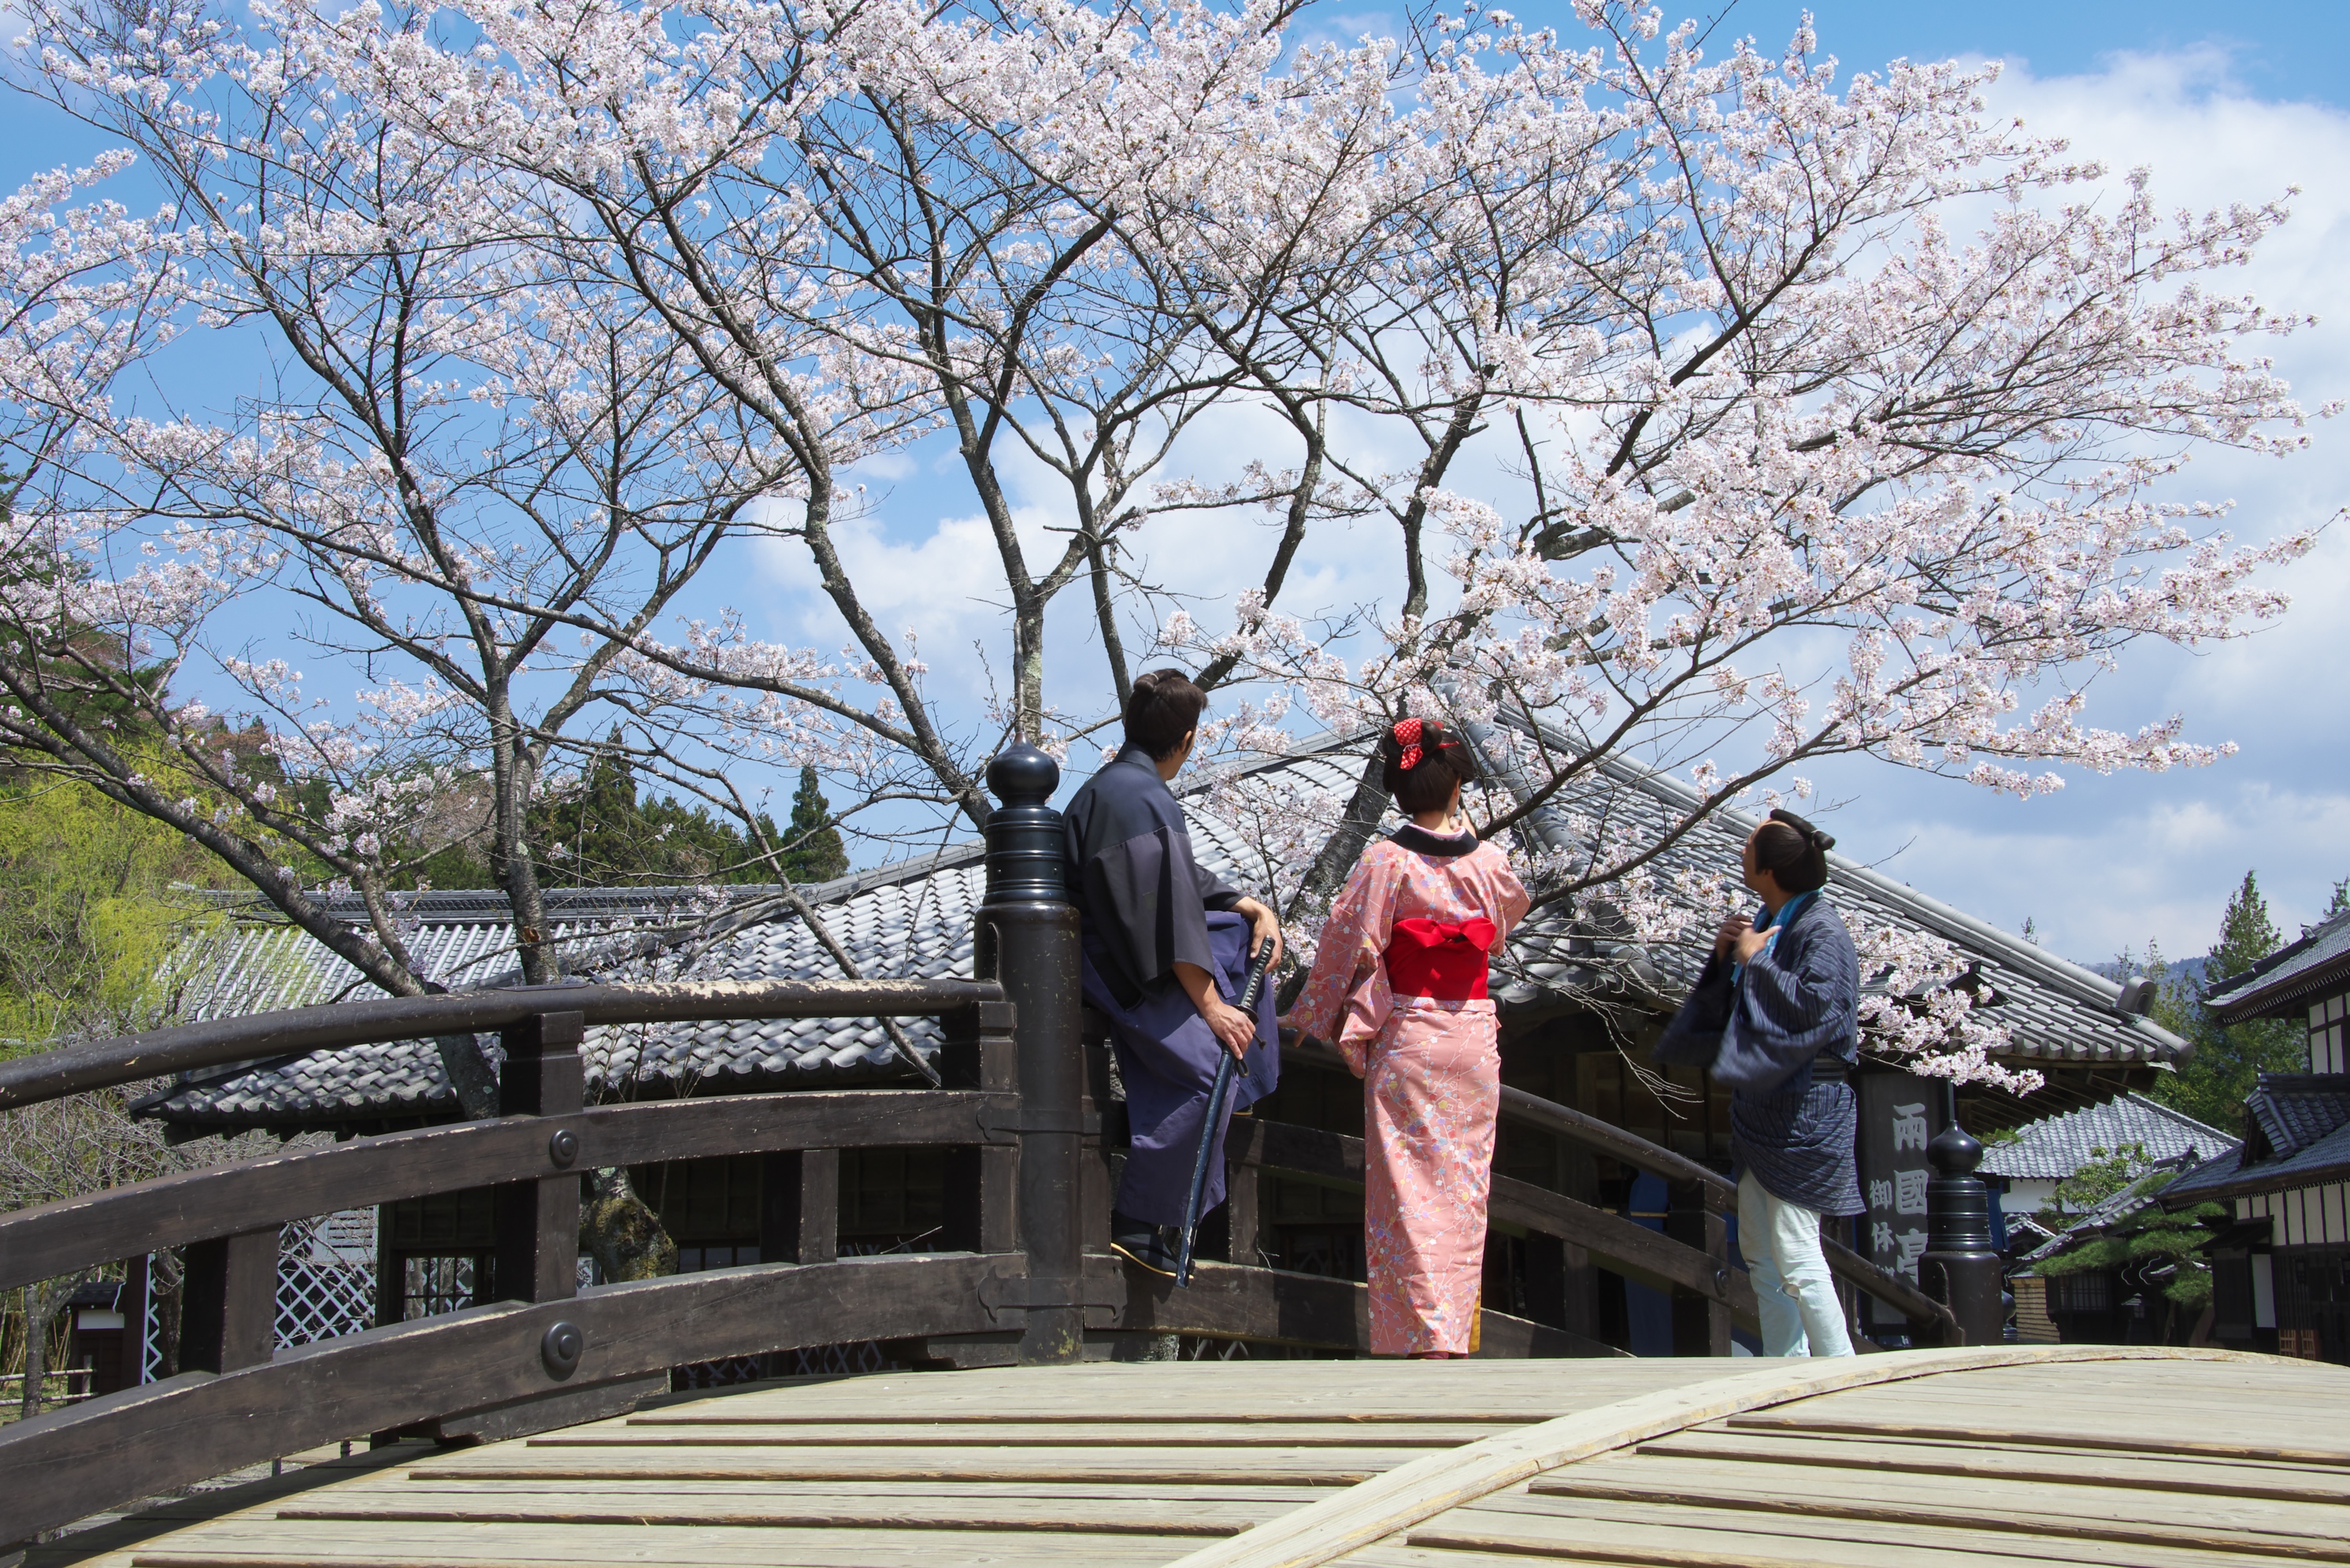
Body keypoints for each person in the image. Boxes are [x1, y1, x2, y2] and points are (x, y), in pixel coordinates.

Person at [1285, 718, 1528, 1357]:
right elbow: (1503, 924)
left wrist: (1312, 1013)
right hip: (1472, 1036)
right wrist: (1463, 830)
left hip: (1412, 1037)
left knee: (1407, 1193)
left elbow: (1343, 940)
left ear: (1397, 789)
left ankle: (1418, 1340)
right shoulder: (1491, 863)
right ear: (1456, 789)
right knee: (1463, 1193)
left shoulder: (1384, 861)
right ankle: (1452, 1335)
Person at [1064, 669, 1283, 1277]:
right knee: (1211, 1069)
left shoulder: (1120, 785)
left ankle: (1246, 1081)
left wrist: (1247, 902)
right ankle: (1138, 1219)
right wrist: (1212, 1006)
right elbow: (1164, 910)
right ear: (1186, 739)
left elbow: (1175, 884)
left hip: (1130, 947)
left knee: (1244, 933)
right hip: (1120, 965)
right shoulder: (1140, 796)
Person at [1655, 808, 1863, 1358]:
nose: (1741, 853)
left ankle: (1840, 1366)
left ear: (1769, 869)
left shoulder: (1823, 930)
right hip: (1764, 1106)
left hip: (1807, 1109)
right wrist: (1729, 957)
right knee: (1760, 1252)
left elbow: (1817, 1008)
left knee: (1795, 1249)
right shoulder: (1773, 919)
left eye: (1749, 849)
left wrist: (1756, 960)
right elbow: (1734, 1011)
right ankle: (1785, 1364)